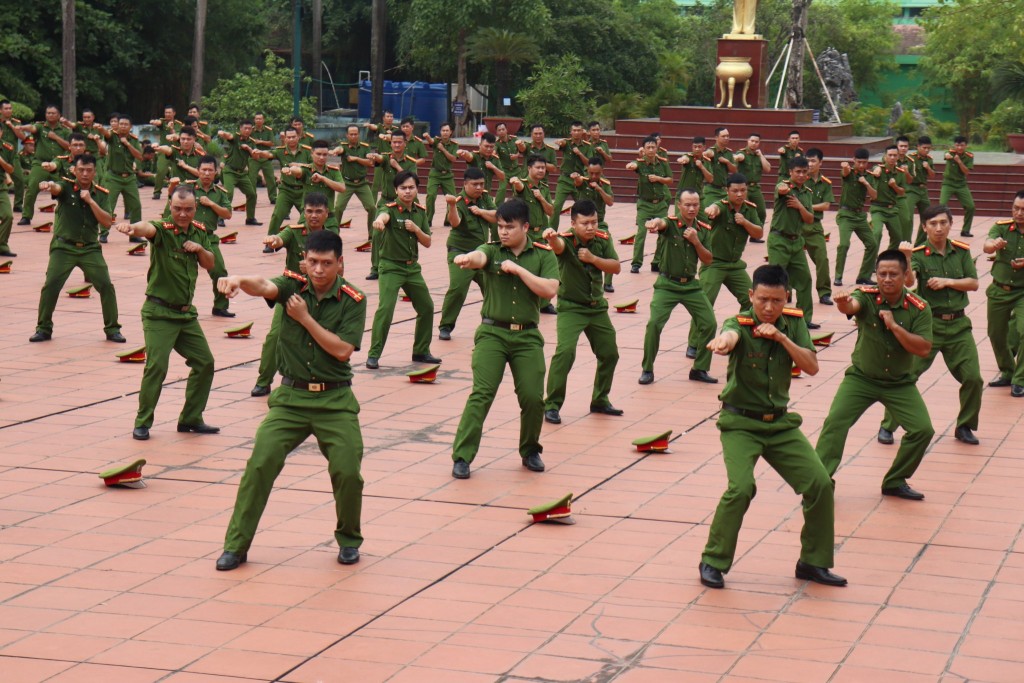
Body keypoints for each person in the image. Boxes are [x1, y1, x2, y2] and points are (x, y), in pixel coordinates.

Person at [215, 229, 367, 571]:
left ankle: (348, 539)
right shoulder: (291, 286)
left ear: (340, 264)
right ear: (304, 260)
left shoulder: (354, 299)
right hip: (291, 398)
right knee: (260, 463)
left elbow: (343, 350)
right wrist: (238, 278)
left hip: (335, 399)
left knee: (347, 471)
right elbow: (264, 286)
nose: (318, 270)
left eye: (327, 263)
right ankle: (235, 546)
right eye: (312, 262)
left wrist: (305, 319)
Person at [699, 264, 844, 590]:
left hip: (779, 424)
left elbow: (811, 367)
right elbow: (730, 335)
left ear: (786, 298)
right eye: (762, 299)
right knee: (741, 488)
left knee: (820, 483)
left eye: (776, 301)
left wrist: (780, 337)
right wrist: (724, 342)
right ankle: (713, 560)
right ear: (751, 295)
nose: (768, 307)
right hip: (740, 424)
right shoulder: (740, 321)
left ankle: (813, 562)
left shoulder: (792, 323)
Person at [449, 199, 559, 479]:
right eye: (499, 227)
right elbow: (479, 257)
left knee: (533, 398)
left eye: (509, 227)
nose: (503, 232)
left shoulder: (543, 254)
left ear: (525, 227)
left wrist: (519, 270)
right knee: (482, 393)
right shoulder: (492, 250)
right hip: (492, 334)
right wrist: (467, 259)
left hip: (527, 336)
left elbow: (549, 290)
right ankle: (462, 456)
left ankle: (530, 450)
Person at [815, 249, 934, 500]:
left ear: (905, 276)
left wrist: (894, 327)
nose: (887, 279)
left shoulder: (919, 308)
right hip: (862, 378)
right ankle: (821, 482)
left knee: (922, 430)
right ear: (875, 275)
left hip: (899, 383)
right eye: (882, 274)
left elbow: (923, 348)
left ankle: (895, 480)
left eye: (893, 274)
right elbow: (852, 304)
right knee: (835, 423)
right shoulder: (867, 296)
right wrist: (843, 302)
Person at [115, 186, 219, 441]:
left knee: (205, 363)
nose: (182, 214)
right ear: (170, 208)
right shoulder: (163, 229)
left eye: (188, 209)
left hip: (185, 315)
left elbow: (210, 263)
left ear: (195, 209)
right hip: (159, 312)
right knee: (157, 366)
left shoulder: (199, 232)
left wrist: (199, 249)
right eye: (177, 209)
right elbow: (146, 228)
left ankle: (191, 418)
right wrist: (132, 228)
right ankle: (143, 422)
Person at [876, 205, 982, 445]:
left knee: (973, 378)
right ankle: (888, 426)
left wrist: (947, 282)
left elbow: (973, 283)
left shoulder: (961, 252)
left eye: (943, 223)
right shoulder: (918, 254)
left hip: (958, 325)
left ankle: (965, 426)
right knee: (906, 374)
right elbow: (910, 283)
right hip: (928, 325)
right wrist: (907, 258)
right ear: (924, 227)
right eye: (933, 224)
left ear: (950, 224)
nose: (939, 228)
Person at [30, 154, 124, 344]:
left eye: (89, 170)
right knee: (51, 285)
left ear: (95, 172)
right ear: (74, 170)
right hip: (64, 247)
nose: (84, 174)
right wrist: (48, 184)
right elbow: (56, 188)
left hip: (90, 248)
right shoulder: (65, 186)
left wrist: (90, 201)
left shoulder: (101, 194)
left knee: (106, 285)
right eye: (81, 170)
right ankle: (43, 328)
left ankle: (112, 329)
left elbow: (107, 221)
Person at [542, 199, 622, 424]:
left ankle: (600, 399)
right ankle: (552, 405)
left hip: (597, 308)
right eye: (585, 223)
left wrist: (594, 259)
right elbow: (558, 247)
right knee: (565, 353)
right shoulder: (565, 240)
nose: (590, 227)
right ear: (573, 223)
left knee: (610, 353)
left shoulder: (603, 239)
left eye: (594, 222)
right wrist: (551, 237)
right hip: (571, 308)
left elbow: (615, 266)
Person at [252, 192, 335, 396]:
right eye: (309, 211)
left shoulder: (332, 238)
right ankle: (264, 380)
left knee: (323, 337)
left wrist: (316, 270)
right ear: (303, 212)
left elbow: (340, 271)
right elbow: (280, 239)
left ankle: (324, 379)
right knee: (275, 336)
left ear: (327, 214)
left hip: (321, 295)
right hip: (292, 292)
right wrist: (273, 240)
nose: (313, 216)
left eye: (318, 212)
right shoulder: (294, 231)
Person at [639, 188, 718, 385]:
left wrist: (696, 242)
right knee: (654, 324)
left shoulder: (702, 229)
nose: (692, 208)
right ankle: (647, 368)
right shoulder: (672, 224)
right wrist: (654, 223)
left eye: (695, 204)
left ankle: (699, 368)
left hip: (691, 285)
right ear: (679, 205)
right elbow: (661, 223)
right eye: (687, 204)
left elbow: (708, 260)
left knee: (710, 323)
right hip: (667, 284)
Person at [365, 171, 440, 369]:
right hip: (391, 267)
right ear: (396, 190)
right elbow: (382, 216)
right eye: (403, 188)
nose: (407, 192)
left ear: (417, 189)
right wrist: (379, 222)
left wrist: (416, 229)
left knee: (427, 307)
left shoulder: (420, 212)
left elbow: (428, 242)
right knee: (386, 309)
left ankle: (421, 351)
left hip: (412, 268)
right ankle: (373, 354)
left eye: (411, 188)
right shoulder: (388, 209)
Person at [685, 173, 762, 359]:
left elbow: (758, 233)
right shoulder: (721, 206)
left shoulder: (749, 209)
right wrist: (712, 209)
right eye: (735, 191)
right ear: (727, 191)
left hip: (735, 265)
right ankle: (694, 344)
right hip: (714, 264)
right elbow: (714, 209)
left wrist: (745, 222)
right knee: (704, 303)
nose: (739, 194)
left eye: (743, 190)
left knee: (752, 300)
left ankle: (743, 337)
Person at [439, 167, 497, 341]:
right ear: (465, 184)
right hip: (460, 253)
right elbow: (455, 222)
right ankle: (446, 326)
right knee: (458, 289)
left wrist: (482, 212)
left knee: (493, 287)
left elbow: (496, 216)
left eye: (481, 184)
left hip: (481, 253)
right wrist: (451, 206)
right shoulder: (458, 201)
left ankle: (492, 320)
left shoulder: (485, 198)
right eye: (475, 184)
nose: (479, 188)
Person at [767, 157, 818, 328]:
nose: (802, 175)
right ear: (790, 172)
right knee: (776, 281)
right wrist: (783, 189)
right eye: (798, 172)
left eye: (804, 172)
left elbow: (810, 219)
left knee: (805, 279)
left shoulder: (807, 193)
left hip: (796, 242)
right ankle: (771, 317)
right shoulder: (783, 186)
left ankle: (804, 319)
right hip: (779, 240)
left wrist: (799, 206)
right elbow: (780, 190)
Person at [182, 156, 234, 317]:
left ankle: (220, 306)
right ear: (197, 171)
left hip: (209, 238)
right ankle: (183, 306)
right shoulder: (187, 189)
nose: (206, 173)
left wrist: (211, 203)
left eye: (210, 170)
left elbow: (228, 214)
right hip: (187, 236)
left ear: (216, 172)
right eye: (203, 170)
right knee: (185, 274)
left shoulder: (219, 193)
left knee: (220, 272)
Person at [984, 190, 1024, 397]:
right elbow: (987, 246)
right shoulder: (1001, 228)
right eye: (1015, 208)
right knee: (995, 334)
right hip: (999, 290)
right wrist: (994, 244)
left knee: (1023, 330)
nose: (1018, 213)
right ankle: (1008, 371)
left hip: (1022, 292)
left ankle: (1020, 379)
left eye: (1023, 210)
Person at [365, 131, 419, 279]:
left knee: (404, 234)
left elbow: (411, 180)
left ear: (405, 144)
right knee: (377, 233)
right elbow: (379, 159)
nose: (396, 145)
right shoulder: (386, 158)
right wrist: (374, 156)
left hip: (403, 203)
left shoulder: (410, 162)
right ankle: (375, 268)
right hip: (386, 201)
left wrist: (397, 167)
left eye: (399, 142)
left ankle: (406, 264)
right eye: (394, 142)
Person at [18, 105, 70, 225]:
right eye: (48, 113)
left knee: (65, 190)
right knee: (32, 188)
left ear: (58, 115)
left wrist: (56, 137)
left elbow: (69, 146)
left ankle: (66, 217)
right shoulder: (41, 127)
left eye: (53, 113)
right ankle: (26, 216)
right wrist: (22, 127)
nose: (50, 115)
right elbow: (32, 128)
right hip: (40, 163)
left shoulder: (65, 130)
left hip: (58, 164)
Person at [571, 157, 617, 293]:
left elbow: (610, 202)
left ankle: (608, 282)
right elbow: (578, 182)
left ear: (602, 171)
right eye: (591, 173)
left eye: (597, 173)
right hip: (581, 222)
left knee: (608, 244)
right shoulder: (583, 181)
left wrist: (599, 189)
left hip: (599, 223)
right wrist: (576, 178)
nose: (593, 176)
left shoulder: (605, 183)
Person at [834, 149, 879, 287]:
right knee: (844, 244)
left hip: (860, 216)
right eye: (859, 162)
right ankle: (838, 277)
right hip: (846, 215)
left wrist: (865, 183)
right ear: (854, 160)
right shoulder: (850, 173)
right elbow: (845, 172)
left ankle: (863, 276)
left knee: (872, 244)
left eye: (864, 162)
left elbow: (874, 196)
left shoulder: (869, 176)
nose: (861, 165)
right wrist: (845, 167)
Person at [627, 136, 673, 274]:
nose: (651, 150)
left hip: (660, 204)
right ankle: (636, 263)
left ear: (657, 148)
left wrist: (658, 179)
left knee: (664, 234)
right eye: (648, 147)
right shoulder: (640, 163)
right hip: (645, 204)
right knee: (641, 233)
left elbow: (670, 179)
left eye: (653, 147)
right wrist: (631, 165)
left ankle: (657, 262)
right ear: (644, 149)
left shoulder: (663, 163)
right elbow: (633, 165)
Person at [257, 128, 312, 238]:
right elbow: (269, 154)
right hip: (286, 190)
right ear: (285, 138)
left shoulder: (307, 151)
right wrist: (260, 152)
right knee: (277, 215)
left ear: (298, 137)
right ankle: (270, 240)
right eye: (289, 137)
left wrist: (299, 165)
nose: (291, 139)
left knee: (308, 215)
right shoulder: (281, 151)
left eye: (293, 137)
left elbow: (314, 165)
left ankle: (308, 240)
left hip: (303, 190)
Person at [99, 115, 143, 242]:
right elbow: (106, 135)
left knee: (136, 206)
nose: (123, 126)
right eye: (121, 124)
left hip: (129, 178)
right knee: (109, 206)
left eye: (125, 124)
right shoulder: (112, 137)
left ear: (130, 127)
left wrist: (128, 144)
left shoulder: (134, 140)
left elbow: (140, 156)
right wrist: (101, 129)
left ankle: (134, 234)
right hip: (113, 177)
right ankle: (103, 233)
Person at [804, 148, 835, 306]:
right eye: (807, 160)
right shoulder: (799, 179)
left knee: (822, 259)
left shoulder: (825, 183)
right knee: (790, 260)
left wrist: (806, 206)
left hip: (815, 227)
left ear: (820, 163)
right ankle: (786, 290)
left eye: (813, 161)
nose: (809, 164)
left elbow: (826, 205)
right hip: (797, 226)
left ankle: (824, 293)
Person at [332, 124, 376, 237]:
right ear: (347, 135)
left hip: (362, 183)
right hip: (347, 183)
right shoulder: (344, 146)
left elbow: (370, 162)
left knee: (371, 207)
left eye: (355, 134)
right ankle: (333, 235)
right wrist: (335, 151)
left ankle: (372, 236)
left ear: (359, 135)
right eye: (351, 134)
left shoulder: (365, 146)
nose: (353, 136)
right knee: (338, 208)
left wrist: (356, 158)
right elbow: (340, 149)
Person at [216, 120, 262, 227]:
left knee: (252, 194)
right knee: (229, 193)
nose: (247, 130)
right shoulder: (236, 138)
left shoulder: (251, 141)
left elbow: (256, 157)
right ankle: (221, 218)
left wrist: (249, 149)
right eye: (245, 128)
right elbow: (229, 136)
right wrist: (222, 133)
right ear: (240, 129)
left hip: (242, 174)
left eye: (249, 128)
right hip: (230, 171)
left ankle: (250, 218)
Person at [549, 121, 593, 229]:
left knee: (584, 208)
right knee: (556, 207)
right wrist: (560, 142)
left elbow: (589, 164)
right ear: (571, 132)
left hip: (579, 181)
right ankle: (551, 233)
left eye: (578, 130)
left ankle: (584, 230)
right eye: (574, 130)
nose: (576, 133)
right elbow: (562, 143)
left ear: (582, 132)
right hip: (565, 179)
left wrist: (579, 153)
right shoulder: (567, 143)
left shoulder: (587, 146)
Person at [870, 145, 908, 251]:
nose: (892, 157)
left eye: (894, 155)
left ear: (897, 157)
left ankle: (886, 258)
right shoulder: (879, 169)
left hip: (892, 209)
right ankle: (872, 261)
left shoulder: (900, 173)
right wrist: (876, 169)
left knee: (898, 238)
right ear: (885, 156)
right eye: (890, 155)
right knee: (877, 234)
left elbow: (902, 192)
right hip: (878, 208)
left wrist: (894, 186)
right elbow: (875, 169)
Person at [423, 122, 460, 226]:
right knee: (431, 195)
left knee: (452, 198)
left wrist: (443, 149)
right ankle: (428, 220)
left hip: (447, 175)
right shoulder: (436, 141)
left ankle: (448, 220)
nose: (445, 133)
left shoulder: (454, 145)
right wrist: (427, 137)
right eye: (443, 130)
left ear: (451, 132)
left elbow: (453, 159)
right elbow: (430, 142)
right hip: (435, 173)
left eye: (447, 131)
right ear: (440, 132)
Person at [509, 155, 554, 240]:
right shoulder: (524, 184)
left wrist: (541, 199)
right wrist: (516, 182)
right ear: (529, 168)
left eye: (543, 168)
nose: (541, 170)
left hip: (541, 234)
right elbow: (520, 187)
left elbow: (551, 212)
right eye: (537, 167)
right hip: (525, 233)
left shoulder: (544, 188)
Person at [940, 136, 975, 238]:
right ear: (954, 145)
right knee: (941, 206)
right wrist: (948, 156)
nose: (959, 148)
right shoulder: (950, 152)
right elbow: (946, 155)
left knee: (970, 207)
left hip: (961, 184)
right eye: (957, 145)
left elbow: (966, 172)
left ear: (966, 146)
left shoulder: (969, 156)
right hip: (948, 183)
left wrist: (959, 161)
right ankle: (941, 230)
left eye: (962, 145)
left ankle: (965, 230)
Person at [734, 132, 771, 226]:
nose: (754, 143)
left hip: (755, 188)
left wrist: (761, 155)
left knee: (761, 212)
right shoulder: (742, 153)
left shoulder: (759, 156)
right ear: (748, 141)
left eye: (756, 142)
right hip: (743, 188)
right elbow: (739, 157)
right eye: (752, 141)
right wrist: (737, 158)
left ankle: (756, 234)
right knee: (744, 211)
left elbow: (768, 169)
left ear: (759, 143)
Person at [906, 135, 936, 244]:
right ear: (918, 147)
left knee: (927, 217)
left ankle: (919, 244)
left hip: (923, 190)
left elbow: (933, 175)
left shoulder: (929, 160)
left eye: (928, 148)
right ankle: (906, 242)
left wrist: (928, 167)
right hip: (911, 188)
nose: (927, 150)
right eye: (924, 148)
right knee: (908, 218)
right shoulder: (911, 158)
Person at [149, 105, 183, 200]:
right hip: (163, 151)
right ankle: (157, 192)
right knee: (160, 170)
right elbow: (158, 122)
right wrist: (154, 122)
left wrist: (171, 128)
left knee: (176, 172)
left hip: (175, 151)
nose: (167, 114)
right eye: (166, 112)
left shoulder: (179, 125)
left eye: (169, 112)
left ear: (174, 113)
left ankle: (175, 192)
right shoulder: (163, 122)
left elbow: (177, 136)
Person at [458, 132, 506, 196]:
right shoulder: (475, 156)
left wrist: (493, 167)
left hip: (485, 195)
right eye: (486, 146)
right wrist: (464, 153)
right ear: (480, 145)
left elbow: (502, 177)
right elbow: (469, 156)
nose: (489, 149)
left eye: (491, 147)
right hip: (471, 194)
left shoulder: (495, 159)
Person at [700, 127, 738, 208]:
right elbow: (708, 153)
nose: (726, 138)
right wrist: (704, 154)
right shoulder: (712, 150)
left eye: (728, 136)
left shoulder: (729, 152)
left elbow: (734, 170)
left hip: (724, 191)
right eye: (723, 136)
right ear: (716, 138)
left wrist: (727, 162)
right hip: (711, 190)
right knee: (708, 215)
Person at [248, 112, 277, 203]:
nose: (258, 120)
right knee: (252, 179)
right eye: (257, 119)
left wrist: (260, 142)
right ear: (254, 120)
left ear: (263, 120)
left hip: (265, 158)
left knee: (270, 178)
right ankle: (252, 198)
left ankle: (273, 198)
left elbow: (272, 143)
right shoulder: (250, 130)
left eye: (260, 119)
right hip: (254, 158)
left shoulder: (268, 130)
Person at [675, 136, 712, 208]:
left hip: (698, 196)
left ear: (704, 147)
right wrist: (682, 159)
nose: (697, 149)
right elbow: (685, 158)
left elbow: (710, 179)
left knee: (704, 218)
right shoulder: (689, 157)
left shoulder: (706, 161)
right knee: (680, 218)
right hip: (683, 195)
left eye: (699, 147)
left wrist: (702, 167)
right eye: (695, 147)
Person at [493, 122, 526, 201]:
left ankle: (520, 206)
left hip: (516, 170)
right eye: (499, 130)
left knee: (518, 189)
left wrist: (516, 155)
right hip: (504, 170)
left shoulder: (514, 139)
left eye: (503, 129)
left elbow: (521, 150)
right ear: (497, 132)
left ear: (507, 130)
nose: (501, 131)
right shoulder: (497, 143)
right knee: (502, 189)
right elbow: (493, 153)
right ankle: (497, 208)